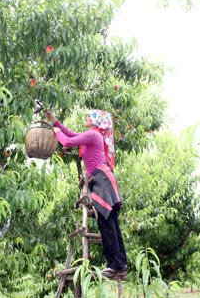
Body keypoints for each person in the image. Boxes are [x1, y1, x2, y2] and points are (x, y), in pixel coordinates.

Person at [45, 109, 127, 276]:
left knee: (106, 223)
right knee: (111, 223)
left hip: (102, 178)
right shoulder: (93, 135)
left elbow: (67, 142)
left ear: (96, 122)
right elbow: (70, 134)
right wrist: (55, 121)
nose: (86, 118)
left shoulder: (94, 135)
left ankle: (115, 264)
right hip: (103, 178)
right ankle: (120, 264)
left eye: (90, 117)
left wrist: (55, 131)